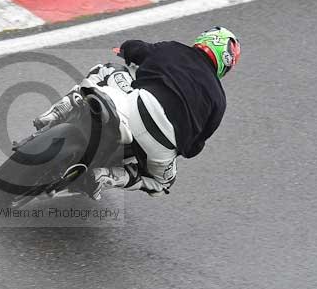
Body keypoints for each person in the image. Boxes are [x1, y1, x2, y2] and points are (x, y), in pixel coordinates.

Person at [33, 26, 240, 199]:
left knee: (104, 70)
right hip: (162, 147)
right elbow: (195, 148)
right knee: (161, 183)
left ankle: (59, 111)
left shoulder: (174, 49)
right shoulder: (219, 101)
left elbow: (136, 48)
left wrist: (125, 49)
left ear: (206, 39)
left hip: (136, 108)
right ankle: (108, 176)